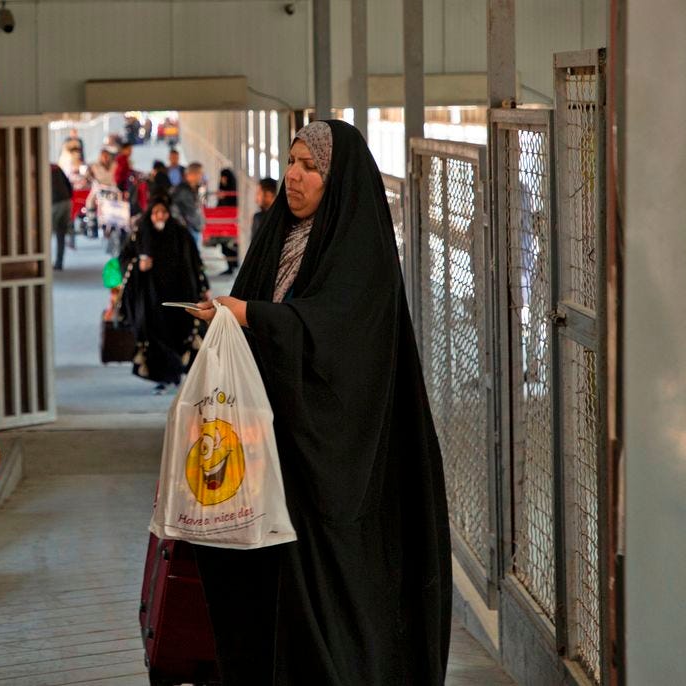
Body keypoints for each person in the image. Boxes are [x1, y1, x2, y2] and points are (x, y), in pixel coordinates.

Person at [188, 121, 452, 684]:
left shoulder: (362, 253)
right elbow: (253, 310)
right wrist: (225, 321)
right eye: (291, 162)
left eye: (311, 168)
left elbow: (341, 340)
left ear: (339, 181)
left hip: (336, 465)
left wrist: (253, 316)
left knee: (329, 606)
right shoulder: (277, 238)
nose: (294, 177)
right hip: (269, 456)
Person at [121, 198, 210, 395]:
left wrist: (203, 287)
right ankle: (163, 377)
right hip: (151, 299)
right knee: (154, 336)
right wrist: (138, 265)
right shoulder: (141, 235)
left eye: (163, 212)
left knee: (179, 334)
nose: (160, 216)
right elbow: (124, 258)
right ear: (150, 215)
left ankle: (176, 374)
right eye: (155, 213)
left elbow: (194, 262)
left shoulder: (180, 234)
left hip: (179, 295)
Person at [171, 161, 205, 245]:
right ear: (192, 174)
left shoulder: (192, 189)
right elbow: (189, 212)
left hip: (192, 229)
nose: (201, 176)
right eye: (200, 173)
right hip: (189, 231)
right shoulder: (183, 191)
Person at [215, 168, 240, 275]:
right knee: (224, 244)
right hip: (222, 222)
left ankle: (233, 264)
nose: (223, 180)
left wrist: (223, 197)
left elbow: (231, 205)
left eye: (224, 177)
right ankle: (230, 265)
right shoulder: (222, 189)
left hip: (230, 222)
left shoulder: (232, 191)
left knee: (230, 244)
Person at [50, 162, 73, 270]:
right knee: (61, 234)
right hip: (66, 201)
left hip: (54, 204)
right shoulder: (56, 167)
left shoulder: (39, 169)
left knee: (45, 236)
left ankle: (42, 264)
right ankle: (59, 262)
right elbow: (68, 184)